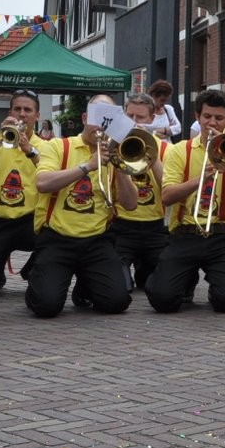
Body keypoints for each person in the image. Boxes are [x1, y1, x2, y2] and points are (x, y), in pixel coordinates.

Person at [25, 95, 138, 318]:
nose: (102, 125)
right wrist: (87, 166)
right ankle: (38, 277)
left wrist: (119, 167)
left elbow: (131, 204)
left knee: (117, 302)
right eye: (98, 117)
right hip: (58, 238)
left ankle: (85, 285)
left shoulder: (114, 153)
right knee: (46, 306)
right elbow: (42, 183)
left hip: (97, 240)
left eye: (109, 119)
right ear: (85, 118)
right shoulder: (59, 146)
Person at [146, 88, 225, 314]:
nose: (212, 123)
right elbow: (167, 196)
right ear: (197, 116)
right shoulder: (180, 150)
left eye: (219, 118)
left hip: (222, 236)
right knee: (163, 301)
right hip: (184, 234)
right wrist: (200, 179)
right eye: (207, 116)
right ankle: (184, 279)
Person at [0, 88, 42, 296]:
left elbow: (51, 172)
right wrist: (0, 136)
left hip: (30, 220)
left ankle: (34, 270)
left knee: (58, 234)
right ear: (10, 113)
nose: (22, 115)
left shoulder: (47, 146)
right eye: (17, 109)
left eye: (27, 110)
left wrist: (29, 150)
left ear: (37, 116)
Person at [112, 93, 170, 292]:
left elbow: (168, 188)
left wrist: (150, 152)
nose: (134, 122)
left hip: (154, 228)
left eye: (141, 117)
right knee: (120, 287)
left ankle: (143, 270)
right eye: (130, 116)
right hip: (121, 226)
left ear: (152, 119)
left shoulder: (166, 149)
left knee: (156, 286)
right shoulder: (112, 145)